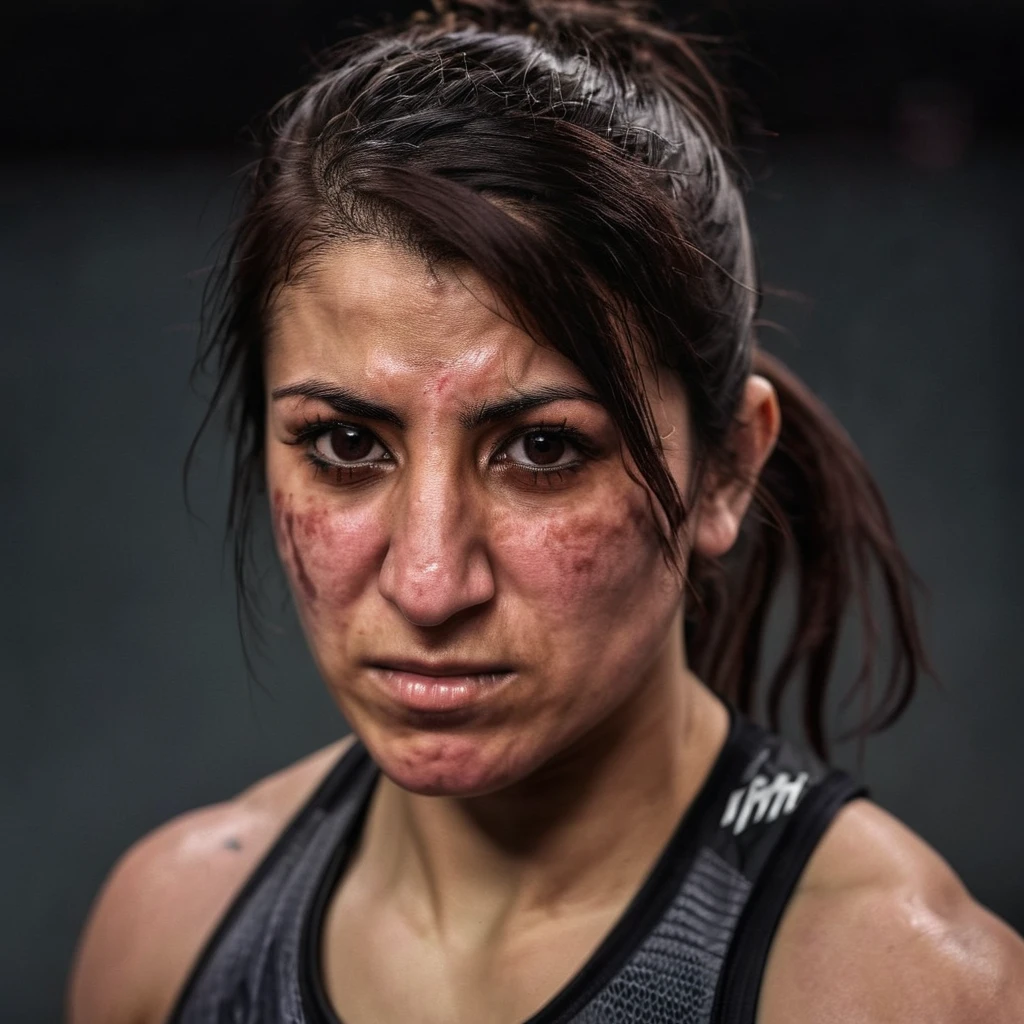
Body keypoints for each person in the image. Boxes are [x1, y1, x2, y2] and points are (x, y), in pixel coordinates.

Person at [66, 2, 1024, 1022]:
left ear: (727, 468)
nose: (429, 582)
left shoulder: (909, 992)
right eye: (347, 444)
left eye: (542, 449)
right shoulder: (168, 935)